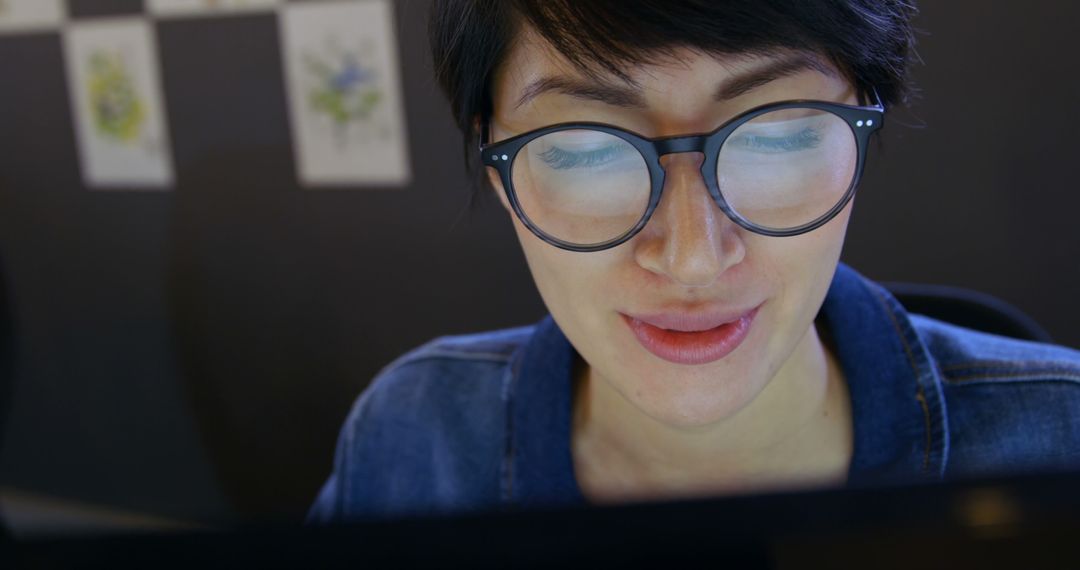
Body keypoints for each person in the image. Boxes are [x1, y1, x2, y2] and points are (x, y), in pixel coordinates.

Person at [308, 0, 1080, 522]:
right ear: (493, 166)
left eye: (776, 135)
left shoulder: (1062, 437)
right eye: (585, 150)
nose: (691, 258)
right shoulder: (414, 438)